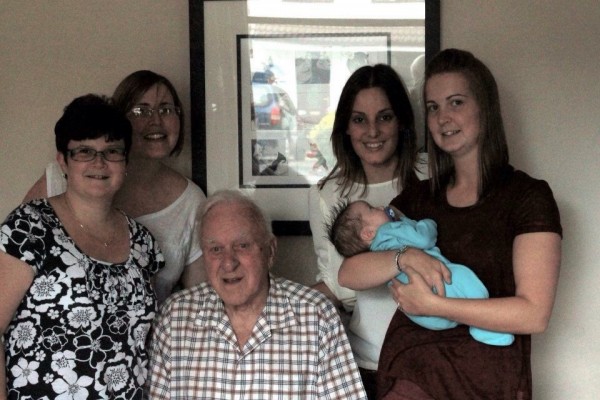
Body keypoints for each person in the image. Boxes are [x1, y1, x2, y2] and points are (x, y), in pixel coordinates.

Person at [339, 49, 562, 399]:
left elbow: (533, 314)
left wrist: (435, 306)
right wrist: (405, 258)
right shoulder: (419, 198)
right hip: (409, 378)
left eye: (455, 102)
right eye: (432, 107)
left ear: (484, 108)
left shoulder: (527, 197)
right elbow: (349, 274)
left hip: (486, 381)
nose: (443, 118)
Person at [0, 94, 164, 399]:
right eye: (84, 151)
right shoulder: (30, 227)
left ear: (125, 162)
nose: (99, 163)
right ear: (63, 160)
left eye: (112, 151)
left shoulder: (144, 243)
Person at [147, 190, 367, 399]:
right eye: (215, 249)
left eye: (242, 246)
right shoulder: (174, 317)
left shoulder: (317, 316)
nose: (228, 262)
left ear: (270, 251)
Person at [23, 70, 206, 305]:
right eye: (141, 110)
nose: (156, 120)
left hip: (147, 337)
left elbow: (200, 300)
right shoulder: (61, 178)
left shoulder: (190, 201)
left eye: (166, 109)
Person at [308, 63, 422, 398]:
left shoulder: (431, 175)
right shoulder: (325, 194)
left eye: (384, 117)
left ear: (401, 121)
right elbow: (334, 284)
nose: (372, 131)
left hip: (429, 359)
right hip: (362, 367)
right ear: (345, 127)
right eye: (359, 119)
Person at [328, 199, 514, 346]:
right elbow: (423, 238)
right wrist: (428, 223)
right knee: (466, 280)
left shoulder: (377, 252)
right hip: (437, 288)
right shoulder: (388, 231)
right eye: (371, 209)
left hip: (421, 316)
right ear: (368, 233)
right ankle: (486, 329)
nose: (379, 206)